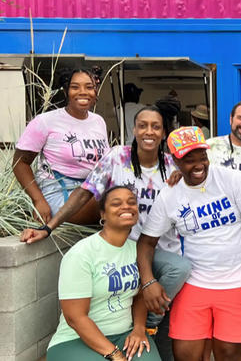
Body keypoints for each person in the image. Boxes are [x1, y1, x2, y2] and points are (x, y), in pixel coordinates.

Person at [20, 105, 190, 361]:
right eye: (142, 125)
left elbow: (200, 181)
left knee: (177, 272)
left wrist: (185, 175)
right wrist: (48, 227)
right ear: (134, 129)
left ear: (164, 132)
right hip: (128, 249)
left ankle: (149, 321)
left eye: (156, 126)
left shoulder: (172, 165)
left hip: (161, 251)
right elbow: (84, 193)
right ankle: (145, 324)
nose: (149, 131)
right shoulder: (117, 158)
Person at [137, 126, 241, 361]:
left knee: (229, 353)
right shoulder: (169, 195)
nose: (199, 165)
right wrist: (148, 281)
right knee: (186, 354)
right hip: (195, 282)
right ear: (175, 161)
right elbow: (146, 243)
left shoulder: (231, 179)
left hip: (239, 281)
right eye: (189, 160)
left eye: (202, 157)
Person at [46, 186, 160, 361]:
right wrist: (115, 354)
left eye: (132, 202)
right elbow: (75, 317)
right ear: (103, 214)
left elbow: (140, 296)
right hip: (75, 339)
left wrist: (138, 329)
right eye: (116, 203)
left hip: (124, 335)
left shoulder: (137, 251)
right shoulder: (82, 254)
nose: (127, 207)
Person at [13, 68, 109, 225]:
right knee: (115, 200)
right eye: (75, 87)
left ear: (96, 92)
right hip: (60, 194)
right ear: (66, 91)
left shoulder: (98, 121)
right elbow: (20, 163)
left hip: (89, 190)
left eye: (89, 87)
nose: (83, 92)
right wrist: (38, 201)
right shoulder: (45, 121)